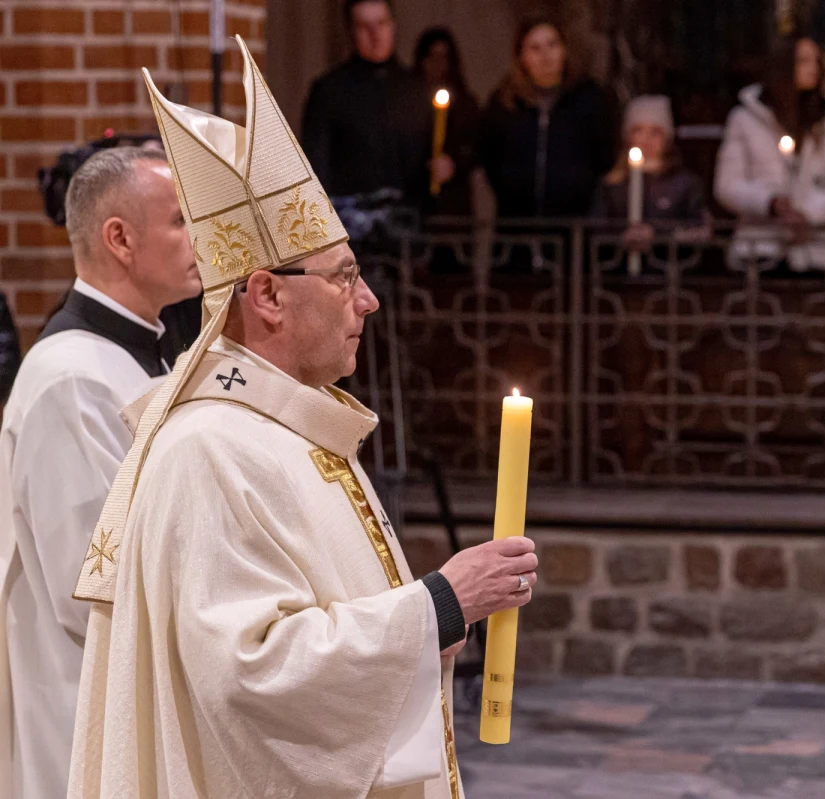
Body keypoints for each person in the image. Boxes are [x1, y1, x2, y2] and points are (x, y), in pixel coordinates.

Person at [66, 37, 537, 797]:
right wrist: (442, 603)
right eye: (345, 276)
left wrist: (432, 621)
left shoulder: (289, 428)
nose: (368, 299)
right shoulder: (211, 448)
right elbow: (253, 672)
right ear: (268, 295)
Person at [0, 147, 202, 799]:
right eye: (180, 220)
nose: (200, 236)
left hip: (142, 696)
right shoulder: (73, 380)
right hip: (88, 717)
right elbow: (89, 586)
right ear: (120, 238)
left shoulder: (142, 357)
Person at [714, 36, 825, 272]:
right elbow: (727, 184)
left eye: (816, 61)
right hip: (759, 251)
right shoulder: (745, 119)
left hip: (815, 254)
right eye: (803, 61)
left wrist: (809, 214)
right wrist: (770, 203)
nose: (813, 69)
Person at [302, 0, 453, 211]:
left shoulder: (416, 90)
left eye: (381, 24)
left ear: (393, 26)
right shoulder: (329, 90)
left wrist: (441, 167)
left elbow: (432, 154)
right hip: (351, 225)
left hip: (407, 226)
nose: (375, 35)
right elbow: (315, 164)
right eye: (364, 26)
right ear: (351, 32)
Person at [479, 17, 617, 219]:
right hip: (516, 225)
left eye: (552, 45)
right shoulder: (505, 104)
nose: (545, 56)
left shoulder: (588, 100)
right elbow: (489, 156)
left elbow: (603, 157)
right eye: (535, 48)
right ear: (522, 57)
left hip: (573, 224)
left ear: (564, 50)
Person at [591, 95, 710, 262]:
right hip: (616, 278)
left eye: (655, 132)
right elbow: (596, 230)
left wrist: (657, 235)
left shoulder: (685, 184)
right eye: (638, 130)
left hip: (669, 276)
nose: (646, 140)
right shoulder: (611, 184)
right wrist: (622, 237)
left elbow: (699, 230)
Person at [413, 27, 480, 216]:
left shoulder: (467, 104)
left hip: (455, 206)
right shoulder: (409, 104)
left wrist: (455, 163)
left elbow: (477, 147)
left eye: (444, 57)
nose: (438, 65)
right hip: (418, 202)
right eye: (432, 57)